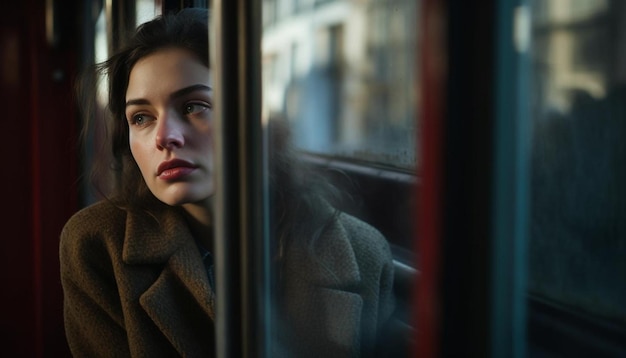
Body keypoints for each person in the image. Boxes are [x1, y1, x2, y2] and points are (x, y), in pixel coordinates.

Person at [60, 7, 396, 357]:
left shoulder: (362, 252)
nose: (164, 137)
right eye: (141, 117)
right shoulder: (97, 246)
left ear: (250, 112)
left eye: (193, 106)